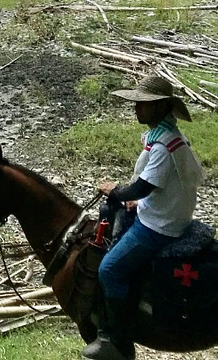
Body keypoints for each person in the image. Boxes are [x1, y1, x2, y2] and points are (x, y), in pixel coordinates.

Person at [83, 74, 204, 360]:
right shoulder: (165, 137)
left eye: (143, 104)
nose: (136, 109)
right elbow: (157, 188)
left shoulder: (164, 146)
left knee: (109, 269)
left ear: (162, 106)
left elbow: (142, 186)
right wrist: (138, 200)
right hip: (162, 211)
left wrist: (117, 192)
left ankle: (115, 340)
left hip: (160, 225)